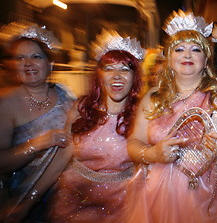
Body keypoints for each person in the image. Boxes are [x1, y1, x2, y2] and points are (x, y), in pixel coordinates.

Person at [126, 10, 217, 223]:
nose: (187, 55)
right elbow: (133, 143)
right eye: (179, 49)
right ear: (169, 58)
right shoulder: (153, 97)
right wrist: (152, 154)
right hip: (161, 195)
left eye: (195, 49)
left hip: (216, 197)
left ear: (206, 60)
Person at [48, 30, 144, 222]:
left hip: (124, 204)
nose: (117, 76)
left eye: (125, 69)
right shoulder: (81, 108)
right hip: (74, 199)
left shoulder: (143, 115)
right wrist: (29, 198)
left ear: (135, 77)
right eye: (109, 68)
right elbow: (61, 158)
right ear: (99, 75)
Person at [0, 24, 75, 222]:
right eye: (20, 58)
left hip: (68, 196)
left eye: (36, 57)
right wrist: (38, 143)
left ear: (50, 64)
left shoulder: (65, 94)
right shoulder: (6, 104)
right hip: (25, 202)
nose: (28, 63)